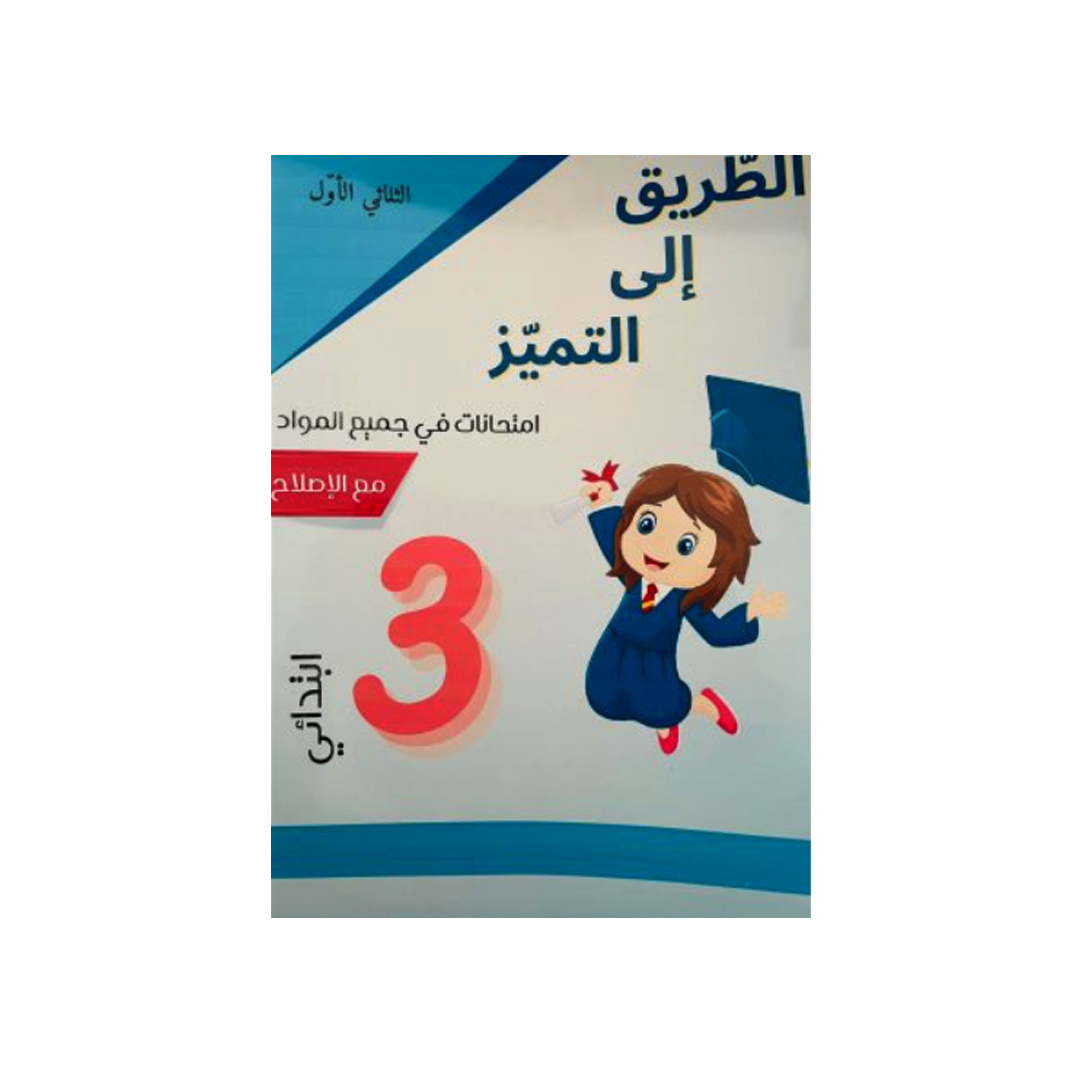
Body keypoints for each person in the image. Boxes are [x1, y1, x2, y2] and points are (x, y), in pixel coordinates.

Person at [582, 463, 786, 755]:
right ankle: (663, 719)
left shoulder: (685, 599)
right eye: (646, 525)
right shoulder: (634, 576)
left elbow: (715, 632)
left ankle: (701, 705)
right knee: (603, 697)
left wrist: (750, 612)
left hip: (654, 663)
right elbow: (611, 542)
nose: (658, 549)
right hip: (614, 650)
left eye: (686, 545)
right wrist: (603, 502)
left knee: (661, 707)